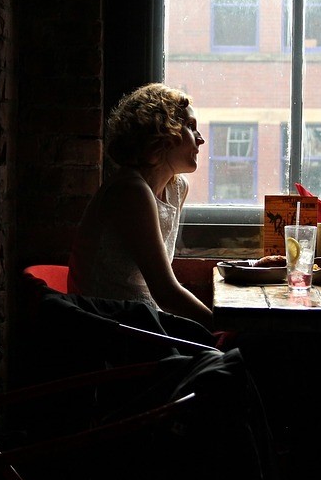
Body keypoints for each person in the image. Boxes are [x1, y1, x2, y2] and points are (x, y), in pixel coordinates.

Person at [67, 83, 213, 328]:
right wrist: (222, 327)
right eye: (190, 127)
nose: (201, 139)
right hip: (111, 328)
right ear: (164, 134)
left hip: (144, 320)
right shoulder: (131, 191)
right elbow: (165, 291)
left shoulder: (177, 188)